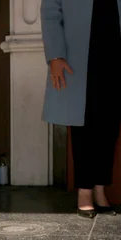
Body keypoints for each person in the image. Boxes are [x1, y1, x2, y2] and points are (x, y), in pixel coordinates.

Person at [41, 0, 121, 218]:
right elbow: (50, 13)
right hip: (79, 57)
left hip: (114, 53)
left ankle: (100, 190)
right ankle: (84, 193)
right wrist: (55, 56)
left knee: (109, 125)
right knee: (83, 124)